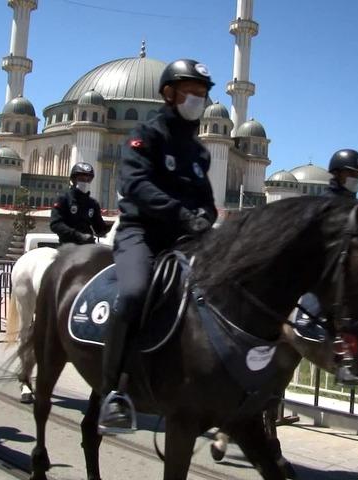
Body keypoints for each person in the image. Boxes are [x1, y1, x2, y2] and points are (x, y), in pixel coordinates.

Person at [98, 58, 218, 434]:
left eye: (202, 94)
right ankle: (112, 392)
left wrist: (205, 217)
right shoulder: (145, 135)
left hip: (185, 239)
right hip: (142, 233)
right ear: (168, 93)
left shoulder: (199, 152)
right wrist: (181, 213)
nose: (197, 100)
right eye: (190, 92)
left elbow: (207, 201)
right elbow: (136, 186)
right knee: (134, 294)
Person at [324, 148, 358, 384]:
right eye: (353, 173)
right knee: (344, 306)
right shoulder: (327, 203)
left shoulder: (357, 206)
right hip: (326, 269)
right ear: (338, 174)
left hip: (350, 267)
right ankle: (344, 361)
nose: (357, 179)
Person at [49, 162, 111, 245]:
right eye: (81, 179)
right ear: (73, 180)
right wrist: (79, 235)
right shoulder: (63, 199)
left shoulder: (93, 203)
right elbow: (55, 224)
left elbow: (100, 229)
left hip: (88, 245)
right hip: (68, 245)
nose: (85, 182)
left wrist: (117, 225)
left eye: (88, 180)